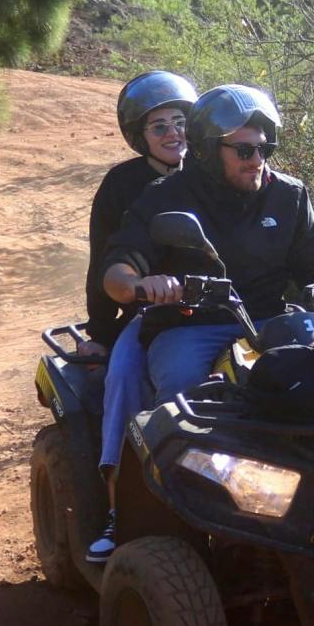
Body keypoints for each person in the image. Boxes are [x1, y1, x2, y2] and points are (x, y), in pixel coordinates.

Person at [88, 84, 314, 561]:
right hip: (190, 323)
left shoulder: (289, 195)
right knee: (180, 394)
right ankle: (160, 516)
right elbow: (116, 270)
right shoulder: (164, 197)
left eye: (263, 148)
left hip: (270, 320)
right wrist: (141, 284)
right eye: (243, 150)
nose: (256, 159)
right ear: (207, 151)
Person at [84, 72, 196, 562]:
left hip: (228, 313)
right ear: (140, 135)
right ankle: (120, 509)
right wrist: (104, 333)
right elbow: (103, 261)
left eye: (181, 121)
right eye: (159, 127)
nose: (174, 133)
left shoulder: (219, 170)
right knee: (125, 378)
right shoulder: (123, 184)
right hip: (151, 316)